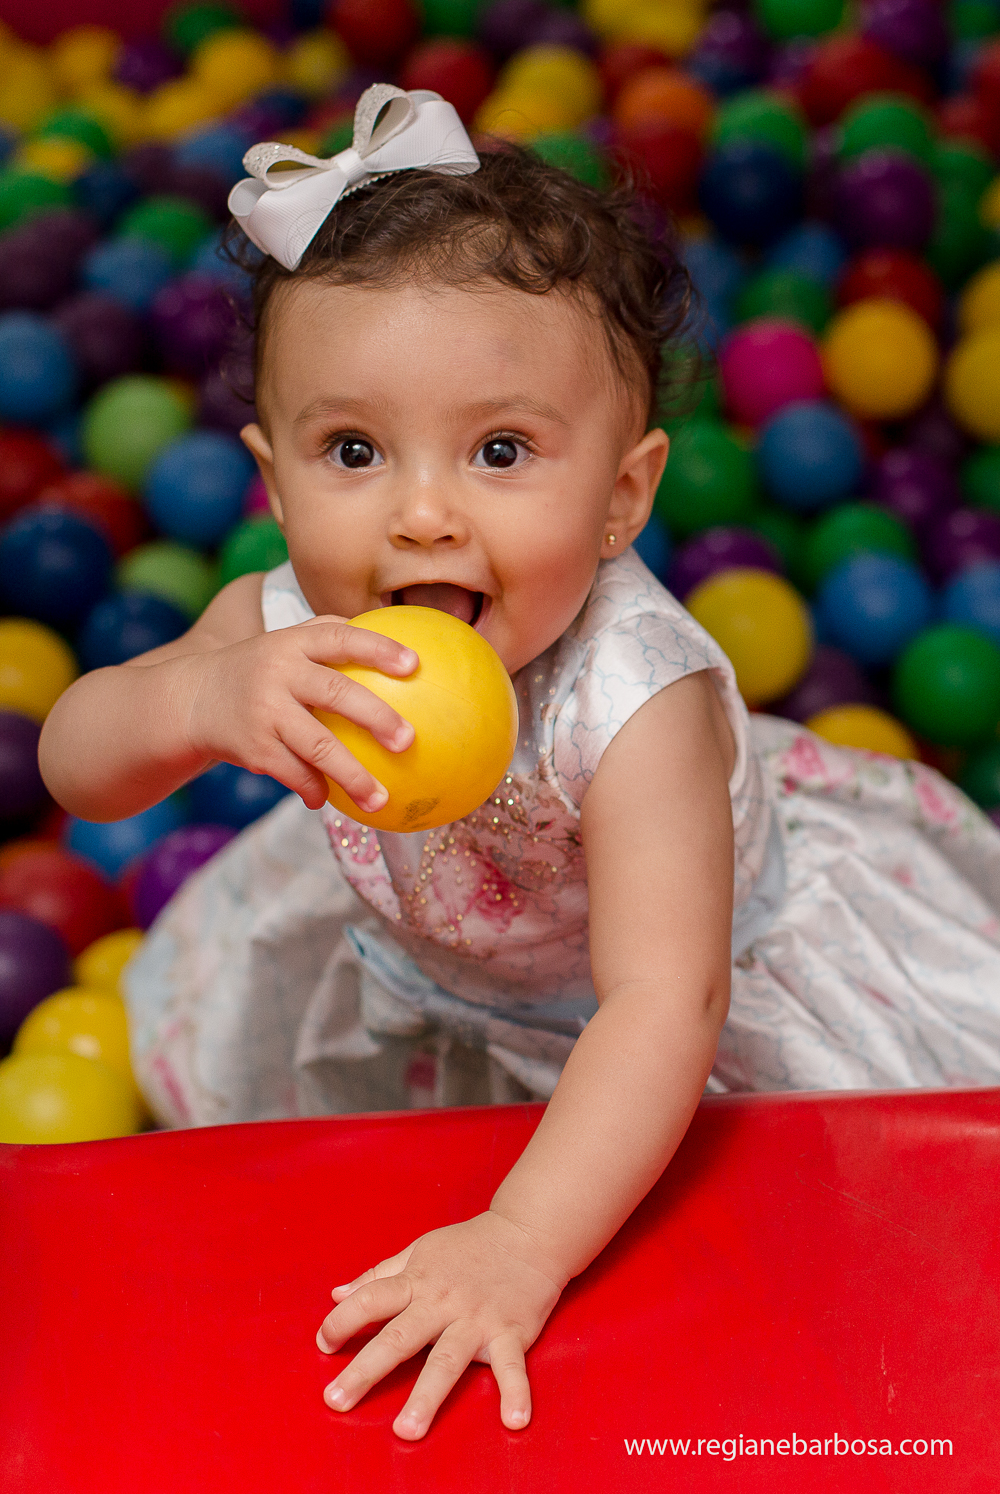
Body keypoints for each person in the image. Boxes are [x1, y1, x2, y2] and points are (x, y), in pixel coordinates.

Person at [39, 85, 1000, 1441]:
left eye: (500, 451)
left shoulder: (633, 699)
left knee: (826, 1266)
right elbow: (80, 768)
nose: (422, 511)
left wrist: (518, 1243)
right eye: (354, 450)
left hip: (679, 1011)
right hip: (451, 983)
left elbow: (663, 1005)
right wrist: (197, 698)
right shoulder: (285, 622)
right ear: (271, 480)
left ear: (623, 495)